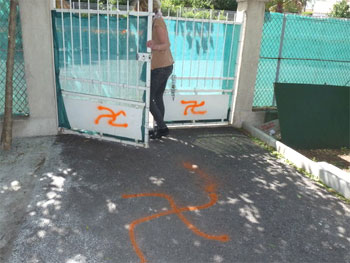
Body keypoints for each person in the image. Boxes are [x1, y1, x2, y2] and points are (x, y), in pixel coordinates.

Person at [135, 0, 174, 139]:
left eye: (138, 9)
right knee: (157, 97)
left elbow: (166, 44)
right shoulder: (152, 21)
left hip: (161, 66)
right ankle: (159, 128)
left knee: (148, 98)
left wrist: (153, 46)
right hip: (162, 65)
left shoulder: (157, 22)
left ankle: (162, 127)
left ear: (145, 8)